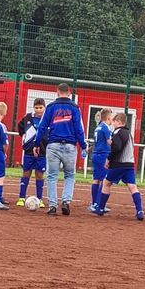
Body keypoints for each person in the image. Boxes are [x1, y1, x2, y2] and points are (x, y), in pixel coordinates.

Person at [33, 83, 87, 215]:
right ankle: (66, 201)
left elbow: (42, 127)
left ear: (57, 92)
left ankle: (52, 206)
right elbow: (79, 129)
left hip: (53, 145)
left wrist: (36, 144)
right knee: (69, 175)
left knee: (52, 176)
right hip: (70, 145)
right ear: (69, 93)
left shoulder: (51, 107)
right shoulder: (75, 107)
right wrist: (83, 146)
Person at [94, 112, 144, 220]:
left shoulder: (117, 132)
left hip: (118, 164)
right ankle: (139, 210)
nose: (113, 124)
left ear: (119, 122)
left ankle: (100, 208)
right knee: (132, 186)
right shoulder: (129, 134)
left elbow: (116, 148)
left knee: (106, 183)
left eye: (115, 122)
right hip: (129, 164)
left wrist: (109, 159)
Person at [16, 98, 48, 208]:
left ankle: (39, 198)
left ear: (44, 108)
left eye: (41, 108)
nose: (38, 110)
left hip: (42, 152)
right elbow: (20, 128)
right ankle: (21, 197)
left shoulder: (47, 119)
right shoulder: (28, 117)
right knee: (26, 173)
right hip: (29, 151)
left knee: (39, 175)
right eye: (36, 107)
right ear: (33, 108)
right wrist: (26, 139)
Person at [88, 108, 112, 212]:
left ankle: (94, 203)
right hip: (103, 155)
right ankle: (99, 204)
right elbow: (109, 141)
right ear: (108, 118)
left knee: (96, 179)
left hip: (96, 154)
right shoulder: (106, 128)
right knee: (104, 180)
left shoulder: (98, 127)